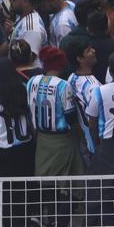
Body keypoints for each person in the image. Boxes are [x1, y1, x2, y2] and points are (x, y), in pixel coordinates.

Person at [28, 47, 86, 176]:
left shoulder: (32, 81)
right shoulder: (63, 85)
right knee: (64, 179)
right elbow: (71, 117)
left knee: (44, 178)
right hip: (62, 140)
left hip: (41, 139)